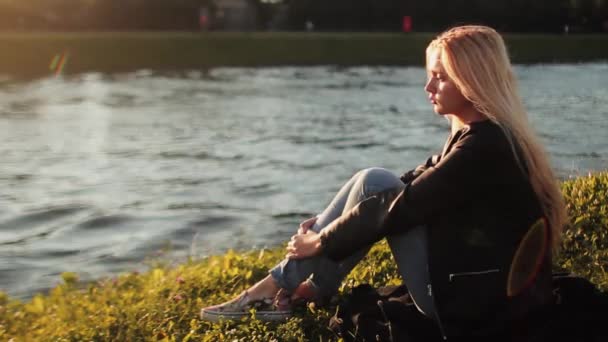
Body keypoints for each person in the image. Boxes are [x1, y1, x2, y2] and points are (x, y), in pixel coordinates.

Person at [200, 25, 567, 339]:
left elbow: (402, 205)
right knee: (375, 181)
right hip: (481, 288)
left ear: (471, 78)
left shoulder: (486, 145)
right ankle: (297, 289)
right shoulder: (483, 134)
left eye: (440, 76)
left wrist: (320, 240)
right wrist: (330, 221)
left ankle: (276, 290)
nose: (428, 86)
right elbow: (417, 179)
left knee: (378, 187)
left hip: (477, 306)